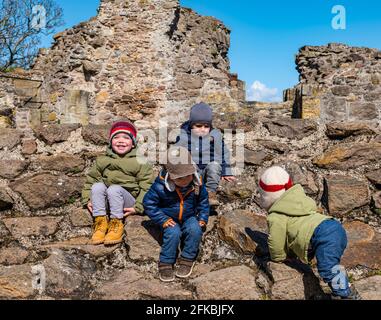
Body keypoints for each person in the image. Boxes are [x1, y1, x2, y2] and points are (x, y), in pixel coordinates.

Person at [258, 166, 361, 300]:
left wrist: (278, 257)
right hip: (333, 225)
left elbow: (276, 241)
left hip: (321, 234)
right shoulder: (301, 202)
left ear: (267, 197)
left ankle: (345, 294)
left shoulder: (276, 216)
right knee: (330, 264)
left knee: (326, 268)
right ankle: (343, 285)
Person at [81, 120, 153, 246]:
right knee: (97, 186)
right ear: (110, 142)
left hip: (127, 202)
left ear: (133, 144)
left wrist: (138, 207)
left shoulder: (140, 161)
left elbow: (147, 187)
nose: (120, 140)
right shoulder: (102, 160)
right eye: (116, 137)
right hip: (107, 200)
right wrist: (87, 199)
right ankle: (100, 223)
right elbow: (91, 180)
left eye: (126, 137)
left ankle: (116, 223)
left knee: (114, 189)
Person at [143, 146, 209, 282]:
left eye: (187, 176)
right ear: (170, 176)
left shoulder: (197, 184)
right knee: (173, 233)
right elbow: (148, 204)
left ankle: (187, 259)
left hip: (189, 216)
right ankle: (166, 263)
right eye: (179, 179)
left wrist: (202, 218)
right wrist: (162, 219)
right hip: (169, 218)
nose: (184, 181)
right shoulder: (160, 186)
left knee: (195, 229)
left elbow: (203, 202)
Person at [175, 102, 236, 206]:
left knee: (215, 166)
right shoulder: (184, 136)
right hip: (193, 170)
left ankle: (210, 193)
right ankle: (193, 194)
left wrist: (226, 171)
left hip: (208, 168)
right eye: (198, 126)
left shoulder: (215, 136)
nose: (202, 129)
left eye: (206, 126)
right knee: (189, 167)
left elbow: (223, 153)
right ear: (191, 125)